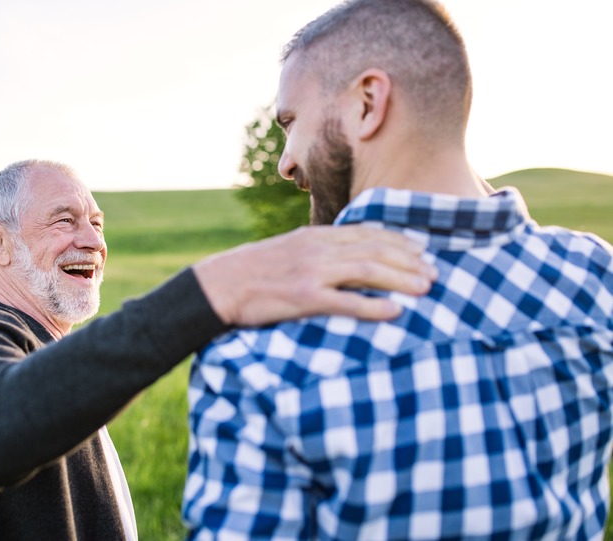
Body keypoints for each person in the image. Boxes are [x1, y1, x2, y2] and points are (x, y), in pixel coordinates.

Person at [182, 1, 613, 539]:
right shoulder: (591, 278)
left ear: (368, 102)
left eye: (292, 123)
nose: (285, 161)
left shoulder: (259, 355)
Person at [0, 159, 436, 540]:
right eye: (64, 220)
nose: (92, 241)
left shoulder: (44, 350)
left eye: (96, 222)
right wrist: (211, 291)